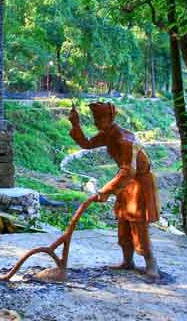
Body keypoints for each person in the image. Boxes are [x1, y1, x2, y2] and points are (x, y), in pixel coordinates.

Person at [68, 102, 160, 279]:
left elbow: (129, 170)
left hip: (138, 182)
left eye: (99, 119)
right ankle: (127, 261)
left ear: (110, 118)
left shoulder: (124, 140)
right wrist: (75, 124)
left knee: (137, 221)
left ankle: (151, 261)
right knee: (122, 220)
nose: (96, 123)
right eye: (95, 119)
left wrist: (106, 190)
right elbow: (86, 144)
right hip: (125, 181)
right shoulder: (107, 134)